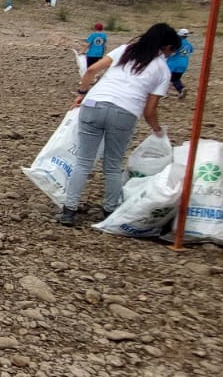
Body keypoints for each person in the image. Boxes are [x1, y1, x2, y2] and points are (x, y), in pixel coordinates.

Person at [57, 22, 180, 226]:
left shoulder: (124, 50)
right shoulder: (162, 70)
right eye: (171, 51)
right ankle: (109, 211)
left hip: (93, 105)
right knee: (112, 166)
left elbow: (91, 71)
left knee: (83, 162)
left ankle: (68, 211)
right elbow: (150, 111)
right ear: (166, 47)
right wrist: (157, 130)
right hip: (124, 113)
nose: (170, 55)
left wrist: (81, 94)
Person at [168, 28, 194, 98]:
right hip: (184, 64)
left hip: (174, 64)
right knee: (176, 78)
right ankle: (180, 90)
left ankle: (180, 88)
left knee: (172, 78)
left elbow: (172, 52)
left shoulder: (177, 43)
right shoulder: (189, 44)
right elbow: (189, 51)